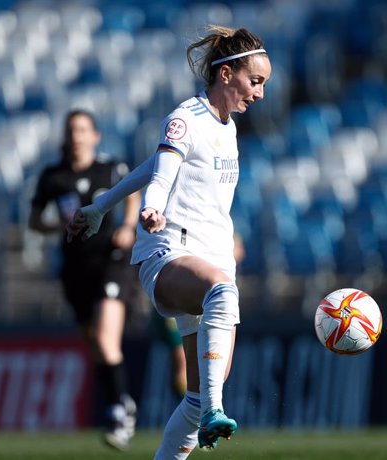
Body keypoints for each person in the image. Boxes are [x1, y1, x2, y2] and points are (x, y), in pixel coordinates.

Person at [66, 25, 271, 458]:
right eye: (256, 81)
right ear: (227, 74)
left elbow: (150, 163)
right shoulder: (185, 118)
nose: (261, 94)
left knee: (194, 399)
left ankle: (198, 418)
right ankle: (217, 408)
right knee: (221, 292)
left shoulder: (226, 126)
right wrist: (152, 206)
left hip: (213, 257)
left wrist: (101, 205)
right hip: (171, 252)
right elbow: (161, 174)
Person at [28, 109, 141, 451]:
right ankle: (121, 400)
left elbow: (133, 193)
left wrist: (127, 226)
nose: (76, 136)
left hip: (111, 262)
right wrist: (57, 226)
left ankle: (119, 413)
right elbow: (35, 221)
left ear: (95, 136)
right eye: (71, 130)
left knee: (107, 341)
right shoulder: (53, 176)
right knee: (94, 344)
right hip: (75, 268)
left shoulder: (110, 168)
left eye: (83, 129)